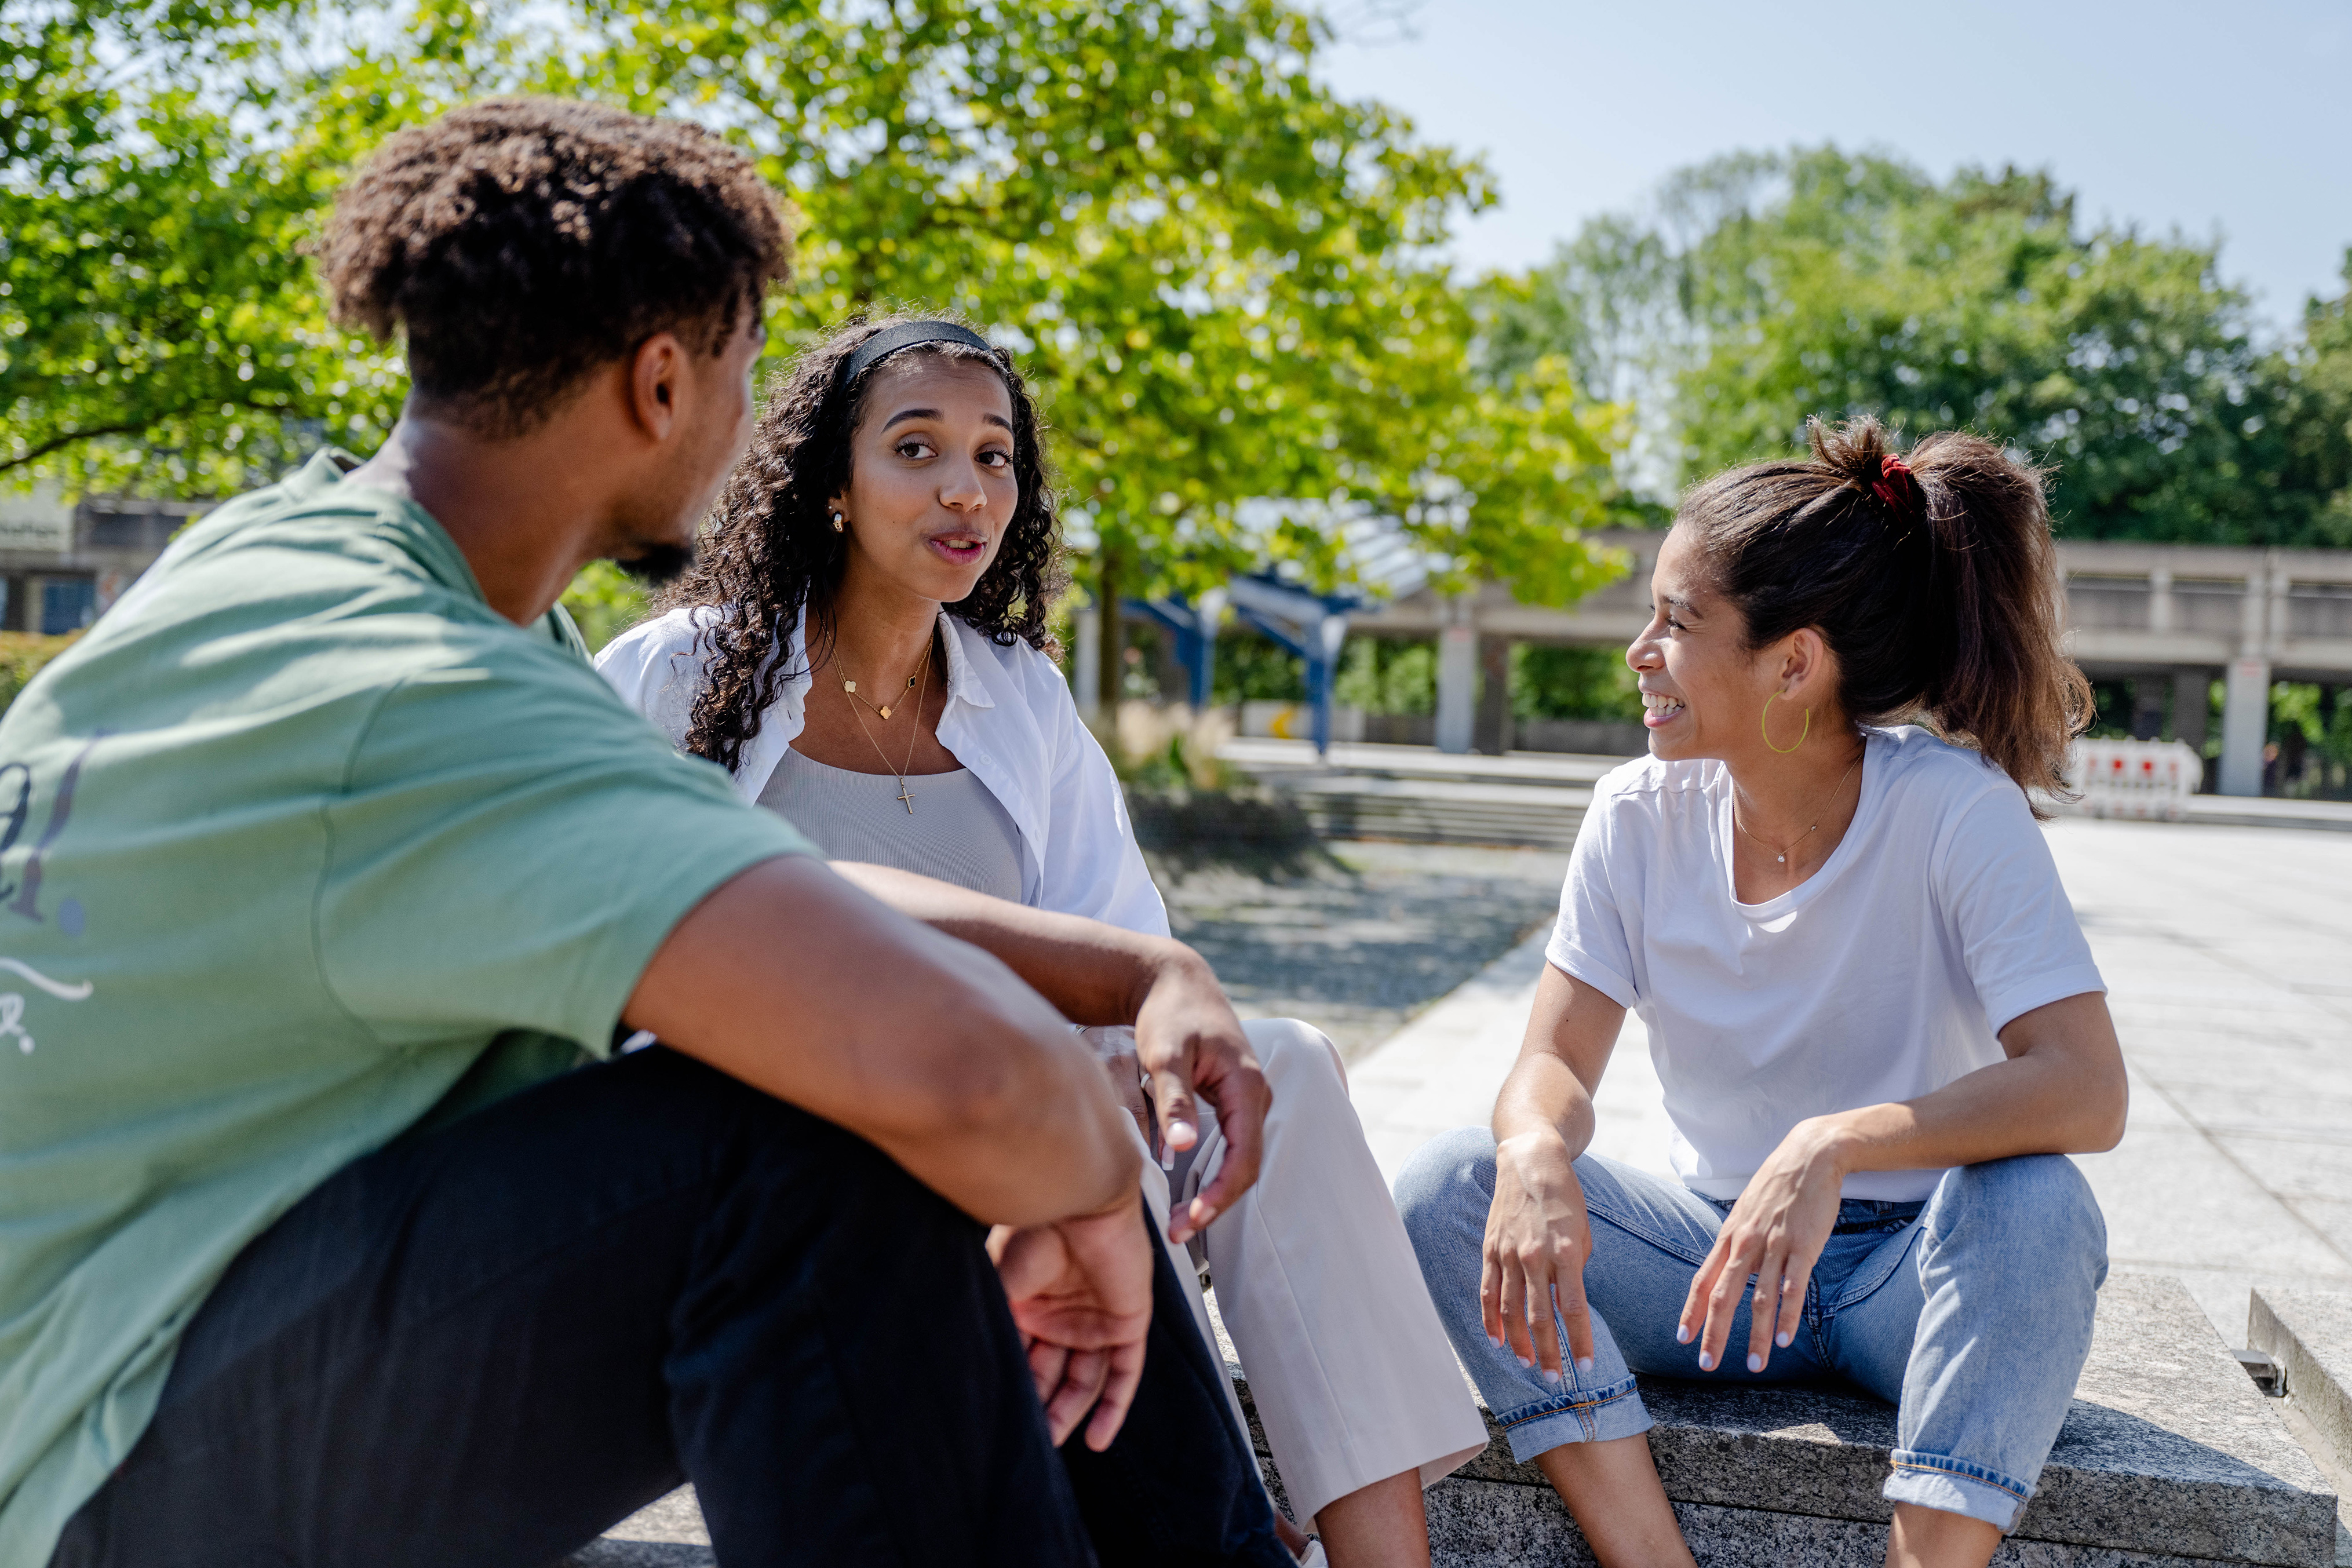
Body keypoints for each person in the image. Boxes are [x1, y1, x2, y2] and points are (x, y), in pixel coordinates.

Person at [0, 98, 1294, 1568]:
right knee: (829, 1147)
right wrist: (1078, 1175)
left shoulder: (305, 570)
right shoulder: (427, 694)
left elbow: (747, 880)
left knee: (871, 1085)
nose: (751, 428)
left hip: (164, 1358)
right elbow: (961, 1074)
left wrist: (1129, 975)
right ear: (663, 381)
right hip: (114, 1476)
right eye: (748, 374)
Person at [596, 314, 1491, 1568]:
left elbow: (1122, 953)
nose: (968, 488)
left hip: (1026, 1121)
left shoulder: (1017, 691)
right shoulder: (676, 673)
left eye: (995, 455)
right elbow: (616, 972)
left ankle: (1381, 1558)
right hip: (789, 1153)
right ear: (834, 486)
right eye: (916, 449)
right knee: (1066, 1103)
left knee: (1274, 1067)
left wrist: (1163, 1057)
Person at [1394, 420, 2129, 1568]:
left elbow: (2084, 1090)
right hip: (1708, 1271)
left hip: (1911, 1275)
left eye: (1676, 624)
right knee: (1449, 1184)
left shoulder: (1952, 809)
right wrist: (1533, 1145)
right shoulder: (1633, 814)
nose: (1639, 650)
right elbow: (1550, 1062)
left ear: (1792, 663)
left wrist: (1832, 1145)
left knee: (2036, 1205)